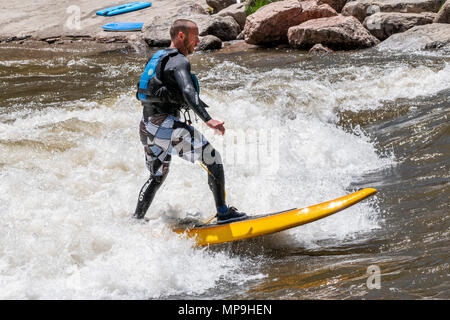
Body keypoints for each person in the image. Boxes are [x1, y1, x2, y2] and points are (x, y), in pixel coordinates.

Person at [133, 19, 247, 224]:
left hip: (147, 125)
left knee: (157, 176)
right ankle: (223, 213)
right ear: (181, 36)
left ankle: (136, 220)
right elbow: (187, 90)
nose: (198, 41)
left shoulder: (158, 57)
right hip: (165, 125)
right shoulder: (179, 61)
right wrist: (208, 119)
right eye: (195, 37)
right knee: (213, 159)